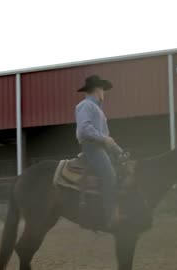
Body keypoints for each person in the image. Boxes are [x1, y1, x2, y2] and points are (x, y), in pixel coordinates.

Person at [75, 75, 122, 229]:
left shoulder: (96, 109)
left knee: (121, 168)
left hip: (99, 147)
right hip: (92, 148)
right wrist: (104, 139)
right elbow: (85, 129)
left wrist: (117, 149)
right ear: (97, 90)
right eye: (103, 89)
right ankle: (109, 217)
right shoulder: (85, 105)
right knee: (109, 175)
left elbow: (106, 137)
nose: (104, 93)